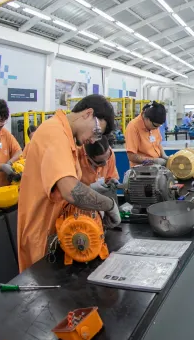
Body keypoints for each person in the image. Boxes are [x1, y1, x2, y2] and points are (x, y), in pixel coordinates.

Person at [16, 95, 120, 272]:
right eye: (96, 132)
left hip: (61, 232)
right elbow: (70, 190)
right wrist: (108, 205)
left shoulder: (67, 138)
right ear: (88, 114)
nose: (93, 140)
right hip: (43, 237)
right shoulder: (55, 133)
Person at [125, 101, 168, 167]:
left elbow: (158, 144)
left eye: (159, 126)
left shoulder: (154, 123)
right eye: (155, 126)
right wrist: (153, 161)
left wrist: (163, 155)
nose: (156, 128)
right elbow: (131, 156)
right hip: (142, 170)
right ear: (147, 118)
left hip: (157, 168)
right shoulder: (133, 127)